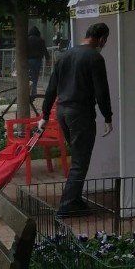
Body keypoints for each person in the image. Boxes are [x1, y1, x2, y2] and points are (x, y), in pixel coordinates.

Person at [38, 22, 113, 217]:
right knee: (80, 161)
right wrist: (108, 116)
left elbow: (51, 89)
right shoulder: (95, 58)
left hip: (62, 111)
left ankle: (75, 198)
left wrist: (45, 116)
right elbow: (101, 91)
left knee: (78, 157)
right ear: (102, 39)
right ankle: (67, 206)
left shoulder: (64, 56)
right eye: (105, 41)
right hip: (80, 113)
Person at [27, 26, 49, 99]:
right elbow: (45, 50)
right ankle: (33, 94)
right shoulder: (40, 40)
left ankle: (27, 93)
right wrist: (48, 59)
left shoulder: (26, 40)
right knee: (34, 78)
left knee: (27, 77)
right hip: (37, 61)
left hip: (27, 60)